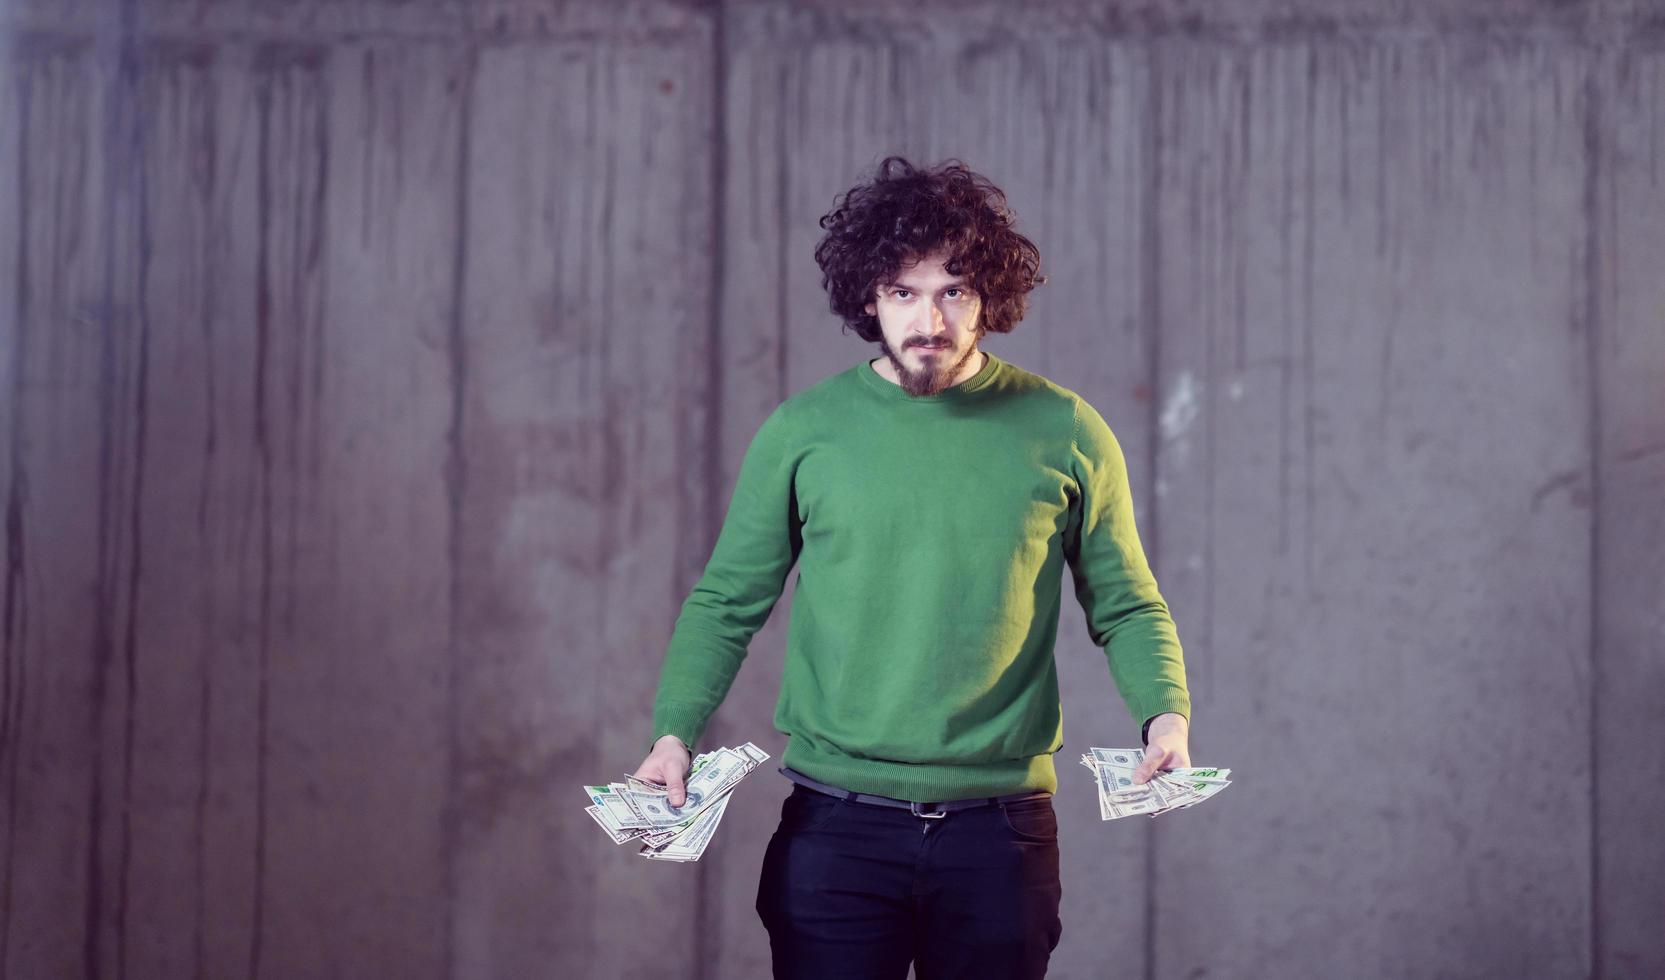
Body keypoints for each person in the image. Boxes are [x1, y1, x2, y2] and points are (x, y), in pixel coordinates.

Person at [633, 156, 1192, 979]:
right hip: (835, 829)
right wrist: (674, 733)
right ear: (868, 297)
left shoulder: (1065, 428)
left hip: (999, 832)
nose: (928, 319)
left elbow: (1126, 602)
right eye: (903, 292)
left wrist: (1165, 720)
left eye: (953, 291)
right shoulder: (804, 431)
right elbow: (726, 601)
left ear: (988, 298)